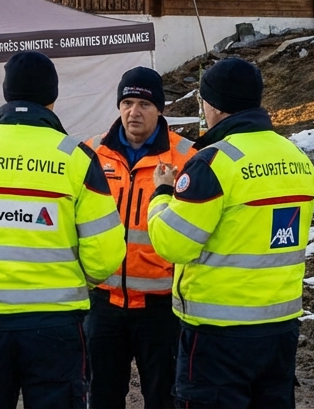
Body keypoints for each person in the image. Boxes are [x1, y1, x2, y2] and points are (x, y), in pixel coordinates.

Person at [0, 51, 127, 409]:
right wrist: (71, 281)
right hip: (56, 326)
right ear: (53, 97)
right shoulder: (76, 158)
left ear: (6, 93)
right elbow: (105, 256)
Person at [146, 58, 314, 409]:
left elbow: (172, 243)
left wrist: (162, 194)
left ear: (212, 105)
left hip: (218, 333)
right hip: (279, 326)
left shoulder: (213, 163)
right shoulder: (297, 157)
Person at [82, 67, 194, 409]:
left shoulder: (188, 157)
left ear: (160, 109)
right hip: (102, 304)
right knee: (101, 396)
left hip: (161, 309)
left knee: (163, 398)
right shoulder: (90, 154)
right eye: (127, 102)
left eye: (144, 104)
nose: (134, 112)